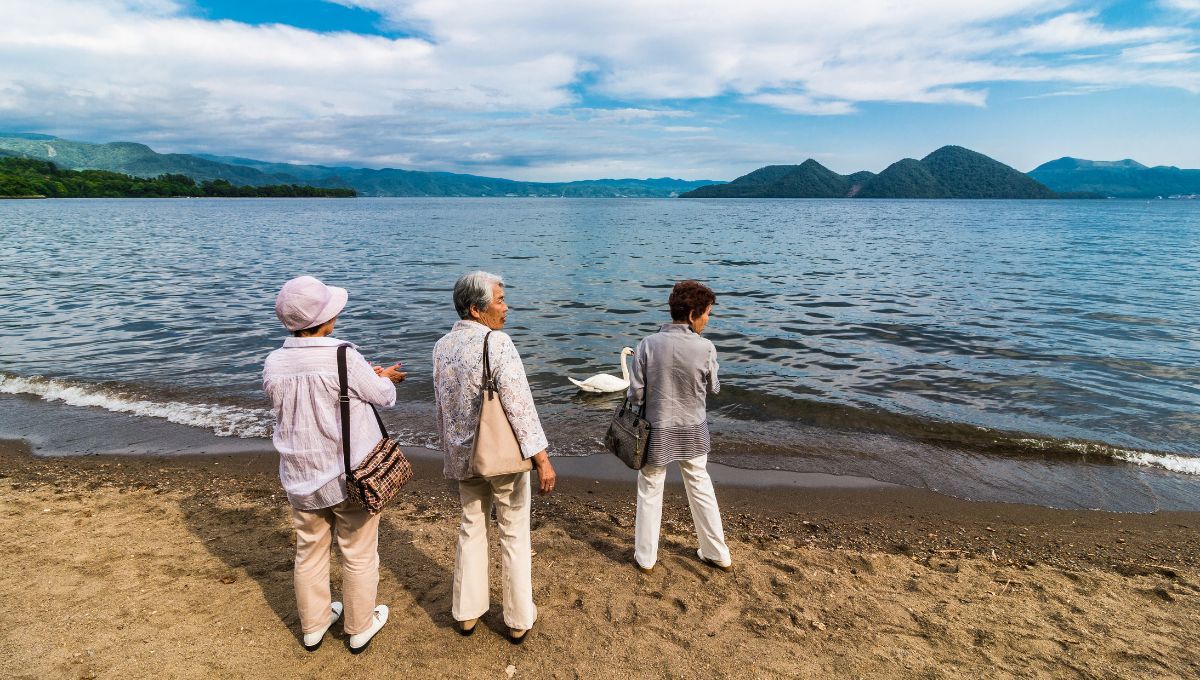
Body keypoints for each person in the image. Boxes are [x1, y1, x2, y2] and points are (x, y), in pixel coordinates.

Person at [262, 275, 407, 653]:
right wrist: (385, 378)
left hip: (300, 474)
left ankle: (314, 625)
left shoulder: (274, 362)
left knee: (309, 550)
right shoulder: (343, 354)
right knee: (358, 552)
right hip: (349, 476)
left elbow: (294, 404)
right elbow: (383, 398)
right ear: (325, 319)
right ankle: (359, 627)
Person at [432, 271, 557, 644]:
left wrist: (451, 450)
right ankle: (518, 618)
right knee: (514, 531)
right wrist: (542, 459)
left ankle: (467, 613)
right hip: (501, 456)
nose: (506, 306)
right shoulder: (497, 343)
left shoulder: (441, 346)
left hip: (462, 456)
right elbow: (520, 405)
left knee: (471, 526)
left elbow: (442, 407)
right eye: (500, 300)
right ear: (476, 308)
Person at [628, 280, 732, 574]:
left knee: (650, 487)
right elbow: (713, 388)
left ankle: (646, 558)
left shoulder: (647, 344)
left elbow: (635, 394)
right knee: (699, 484)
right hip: (692, 428)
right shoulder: (706, 347)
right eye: (707, 313)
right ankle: (717, 552)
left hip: (656, 429)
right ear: (691, 315)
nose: (707, 320)